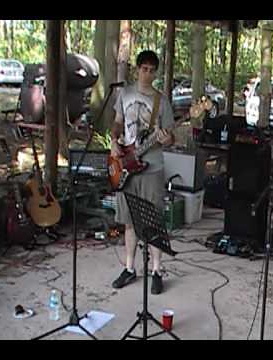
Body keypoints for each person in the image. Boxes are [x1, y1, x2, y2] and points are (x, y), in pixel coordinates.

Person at [110, 50, 175, 295]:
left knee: (153, 221)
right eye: (144, 69)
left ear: (155, 72)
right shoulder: (125, 93)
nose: (147, 74)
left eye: (151, 70)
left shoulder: (163, 101)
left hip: (152, 167)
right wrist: (114, 140)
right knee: (129, 221)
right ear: (137, 69)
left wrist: (167, 138)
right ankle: (129, 268)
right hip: (127, 165)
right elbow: (117, 121)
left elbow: (170, 138)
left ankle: (156, 270)